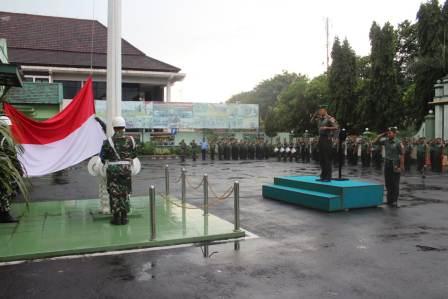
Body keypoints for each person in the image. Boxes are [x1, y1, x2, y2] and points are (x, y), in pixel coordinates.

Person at [100, 116, 137, 225]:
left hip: (113, 170)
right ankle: (124, 217)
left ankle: (116, 218)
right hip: (126, 169)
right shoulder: (131, 140)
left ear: (113, 127)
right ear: (124, 127)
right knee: (125, 192)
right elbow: (134, 155)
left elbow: (103, 157)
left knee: (114, 193)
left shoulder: (107, 142)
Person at [373, 127, 404, 207]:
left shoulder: (398, 142)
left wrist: (401, 166)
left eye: (390, 133)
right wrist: (382, 134)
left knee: (395, 183)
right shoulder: (386, 141)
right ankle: (389, 200)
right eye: (388, 133)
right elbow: (375, 142)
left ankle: (394, 200)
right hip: (387, 164)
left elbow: (401, 155)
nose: (389, 134)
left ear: (394, 133)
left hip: (395, 165)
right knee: (388, 183)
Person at [0, 116, 22, 223]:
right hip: (5, 172)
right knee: (7, 191)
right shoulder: (5, 139)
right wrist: (19, 171)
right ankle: (4, 213)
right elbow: (11, 156)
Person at [312, 105, 339, 181]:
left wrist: (326, 128)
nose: (319, 112)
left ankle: (328, 177)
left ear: (324, 110)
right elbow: (311, 121)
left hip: (327, 138)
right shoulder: (320, 119)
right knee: (321, 158)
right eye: (319, 110)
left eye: (321, 110)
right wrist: (314, 114)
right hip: (321, 138)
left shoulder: (330, 118)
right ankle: (323, 176)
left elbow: (336, 127)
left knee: (327, 158)